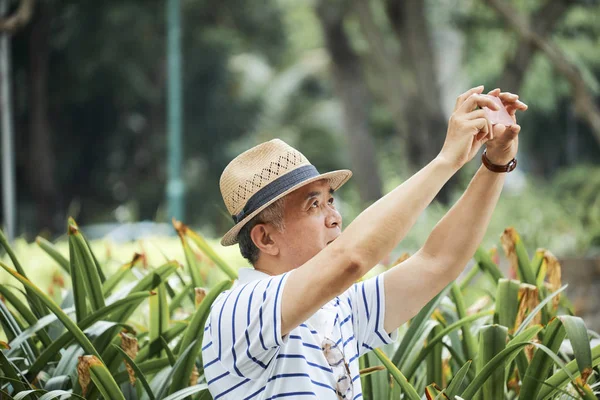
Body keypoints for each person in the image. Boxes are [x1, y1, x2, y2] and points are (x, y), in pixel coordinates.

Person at [201, 85, 527, 399]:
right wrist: (446, 160)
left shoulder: (339, 309)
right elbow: (350, 259)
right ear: (266, 238)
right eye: (314, 205)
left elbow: (438, 261)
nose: (335, 217)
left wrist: (496, 163)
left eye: (331, 201)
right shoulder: (240, 310)